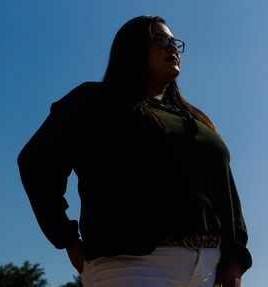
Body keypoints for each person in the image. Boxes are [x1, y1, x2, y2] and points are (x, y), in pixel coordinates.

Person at [17, 15, 252, 287]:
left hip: (210, 270)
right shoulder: (97, 101)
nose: (172, 47)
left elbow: (226, 194)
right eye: (161, 39)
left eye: (174, 42)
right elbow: (36, 162)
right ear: (133, 48)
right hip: (132, 267)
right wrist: (65, 236)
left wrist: (235, 258)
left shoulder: (197, 120)